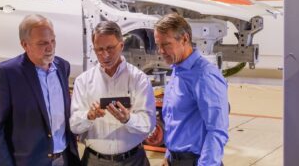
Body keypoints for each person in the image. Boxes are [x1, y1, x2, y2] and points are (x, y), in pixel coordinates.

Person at [0, 14, 81, 166]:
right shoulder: (7, 74)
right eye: (42, 43)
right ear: (25, 44)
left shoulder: (62, 67)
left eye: (53, 40)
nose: (50, 47)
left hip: (64, 159)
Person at [70, 21, 156, 166]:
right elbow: (74, 126)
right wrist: (89, 116)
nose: (105, 55)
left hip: (133, 161)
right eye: (99, 49)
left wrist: (128, 119)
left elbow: (149, 125)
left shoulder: (139, 79)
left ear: (121, 45)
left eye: (110, 48)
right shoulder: (83, 81)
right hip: (94, 161)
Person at [153, 13, 229, 166]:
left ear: (185, 39)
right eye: (158, 45)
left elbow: (217, 130)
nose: (161, 51)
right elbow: (176, 122)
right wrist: (169, 155)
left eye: (166, 44)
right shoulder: (177, 69)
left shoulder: (204, 75)